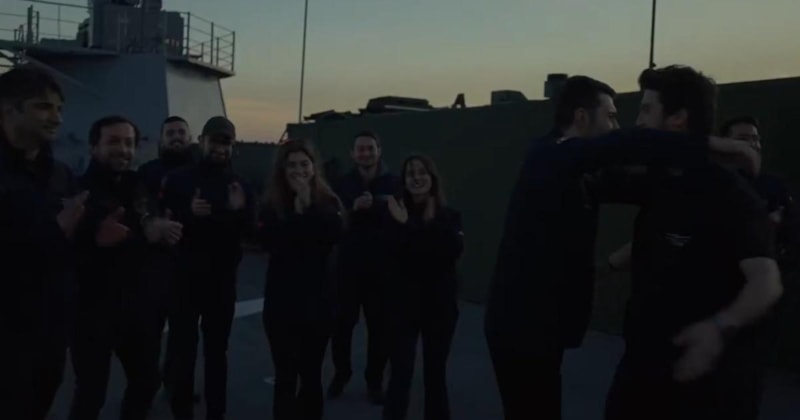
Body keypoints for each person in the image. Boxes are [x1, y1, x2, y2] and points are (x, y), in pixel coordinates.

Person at [483, 75, 762, 420]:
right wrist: (715, 146)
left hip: (541, 330)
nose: (618, 125)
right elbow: (626, 144)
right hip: (520, 329)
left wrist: (704, 170)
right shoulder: (548, 156)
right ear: (582, 117)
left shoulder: (580, 170)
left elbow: (641, 180)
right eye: (611, 116)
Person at [604, 65, 783, 420]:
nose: (638, 121)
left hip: (707, 386)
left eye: (646, 110)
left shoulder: (729, 194)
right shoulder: (658, 180)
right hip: (642, 374)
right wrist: (602, 267)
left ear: (677, 118)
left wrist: (717, 329)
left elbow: (767, 282)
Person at [68, 116, 183, 420]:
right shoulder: (78, 191)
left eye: (129, 143)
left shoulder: (135, 184)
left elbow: (148, 215)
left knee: (147, 382)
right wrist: (100, 239)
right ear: (94, 147)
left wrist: (155, 226)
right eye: (114, 141)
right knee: (91, 393)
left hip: (136, 311)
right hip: (91, 312)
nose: (123, 149)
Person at [0, 66, 84, 419]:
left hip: (49, 331)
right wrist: (54, 231)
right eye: (43, 107)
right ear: (9, 109)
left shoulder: (61, 174)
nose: (57, 118)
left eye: (59, 109)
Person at [160, 116, 256, 420]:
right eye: (215, 141)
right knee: (182, 352)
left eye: (226, 142)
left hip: (221, 282)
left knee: (217, 353)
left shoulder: (241, 185)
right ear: (202, 141)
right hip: (184, 280)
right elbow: (163, 225)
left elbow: (253, 235)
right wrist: (188, 214)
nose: (220, 148)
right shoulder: (178, 180)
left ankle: (217, 413)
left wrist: (239, 211)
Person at [258, 139, 345, 420]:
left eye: (304, 164)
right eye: (292, 165)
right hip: (281, 306)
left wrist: (308, 207)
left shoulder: (329, 203)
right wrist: (296, 214)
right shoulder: (271, 206)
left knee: (311, 376)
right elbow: (272, 243)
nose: (299, 170)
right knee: (285, 376)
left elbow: (331, 237)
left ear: (314, 167)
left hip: (318, 306)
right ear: (282, 170)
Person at [382, 155, 464, 420]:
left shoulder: (449, 217)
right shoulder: (393, 215)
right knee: (400, 373)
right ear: (404, 181)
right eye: (411, 173)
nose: (416, 178)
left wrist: (408, 226)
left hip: (440, 307)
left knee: (435, 374)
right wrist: (406, 227)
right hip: (403, 307)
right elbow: (394, 254)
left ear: (432, 178)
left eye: (422, 172)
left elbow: (448, 252)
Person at [328, 130, 400, 403]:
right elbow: (333, 220)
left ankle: (374, 381)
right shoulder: (342, 183)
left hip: (382, 271)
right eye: (360, 149)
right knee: (341, 327)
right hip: (347, 269)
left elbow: (402, 218)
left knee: (380, 330)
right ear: (352, 153)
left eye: (370, 148)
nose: (366, 153)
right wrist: (353, 208)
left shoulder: (395, 183)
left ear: (379, 151)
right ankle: (341, 374)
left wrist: (380, 206)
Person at [137, 115, 200, 399]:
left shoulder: (200, 172)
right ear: (162, 139)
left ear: (190, 137)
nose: (176, 137)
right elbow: (138, 204)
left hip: (190, 265)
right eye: (170, 133)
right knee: (149, 332)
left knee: (184, 334)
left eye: (180, 132)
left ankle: (177, 383)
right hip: (153, 265)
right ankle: (148, 382)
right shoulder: (148, 172)